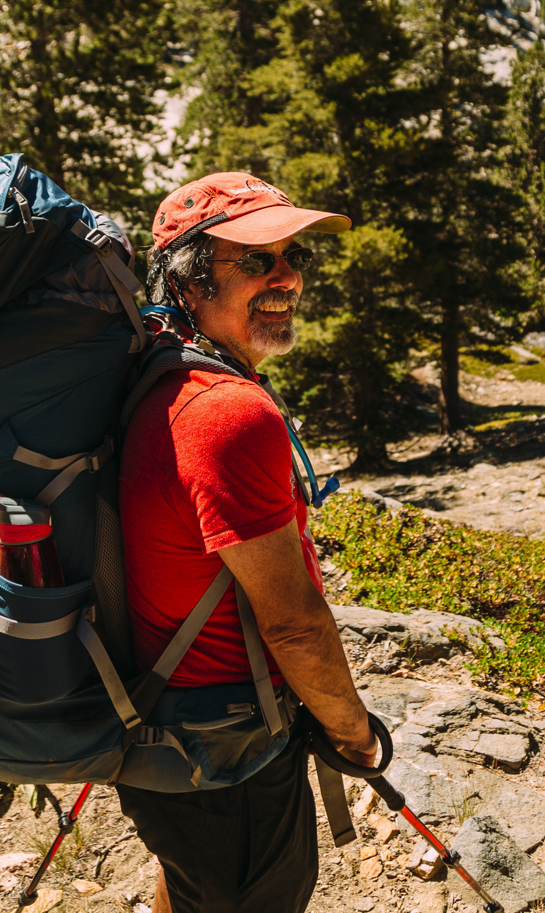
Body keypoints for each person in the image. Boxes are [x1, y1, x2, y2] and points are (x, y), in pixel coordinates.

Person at [117, 172, 380, 913]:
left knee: (194, 884)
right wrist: (351, 729)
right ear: (190, 278)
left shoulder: (157, 374)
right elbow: (293, 623)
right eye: (256, 259)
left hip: (158, 724)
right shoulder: (225, 412)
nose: (287, 277)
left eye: (292, 255)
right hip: (225, 747)